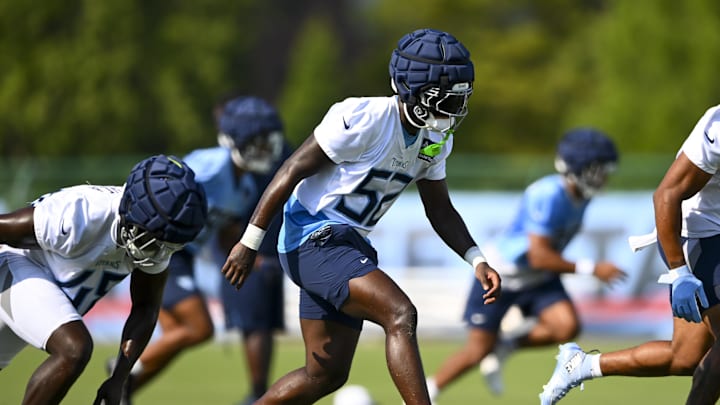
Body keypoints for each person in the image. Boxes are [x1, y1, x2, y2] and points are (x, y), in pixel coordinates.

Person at [221, 28, 502, 405]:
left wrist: (476, 258)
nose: (454, 109)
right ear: (415, 93)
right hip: (311, 238)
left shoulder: (436, 139)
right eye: (446, 100)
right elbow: (291, 170)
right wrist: (249, 242)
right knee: (400, 313)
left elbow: (440, 209)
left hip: (347, 244)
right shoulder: (364, 117)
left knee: (324, 375)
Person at [421, 128, 626, 401]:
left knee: (566, 326)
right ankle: (427, 392)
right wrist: (591, 269)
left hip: (538, 276)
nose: (604, 176)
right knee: (477, 350)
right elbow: (538, 255)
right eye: (598, 169)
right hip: (504, 273)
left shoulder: (583, 195)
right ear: (579, 167)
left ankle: (505, 346)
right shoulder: (547, 193)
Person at [539, 104, 720, 404]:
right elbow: (666, 194)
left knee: (686, 357)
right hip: (699, 234)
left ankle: (582, 366)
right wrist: (680, 272)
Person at [117, 96, 290, 404]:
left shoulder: (247, 187)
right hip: (163, 252)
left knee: (173, 337)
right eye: (258, 141)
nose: (265, 149)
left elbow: (226, 237)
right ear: (235, 140)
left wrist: (254, 258)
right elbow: (160, 188)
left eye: (268, 142)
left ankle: (121, 393)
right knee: (199, 328)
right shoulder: (209, 166)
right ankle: (120, 372)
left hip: (184, 256)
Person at [0, 154, 208, 405]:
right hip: (13, 265)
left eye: (167, 244)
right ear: (132, 211)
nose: (159, 252)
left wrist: (120, 378)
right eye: (153, 239)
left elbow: (146, 308)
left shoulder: (152, 233)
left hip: (35, 292)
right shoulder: (83, 212)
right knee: (73, 349)